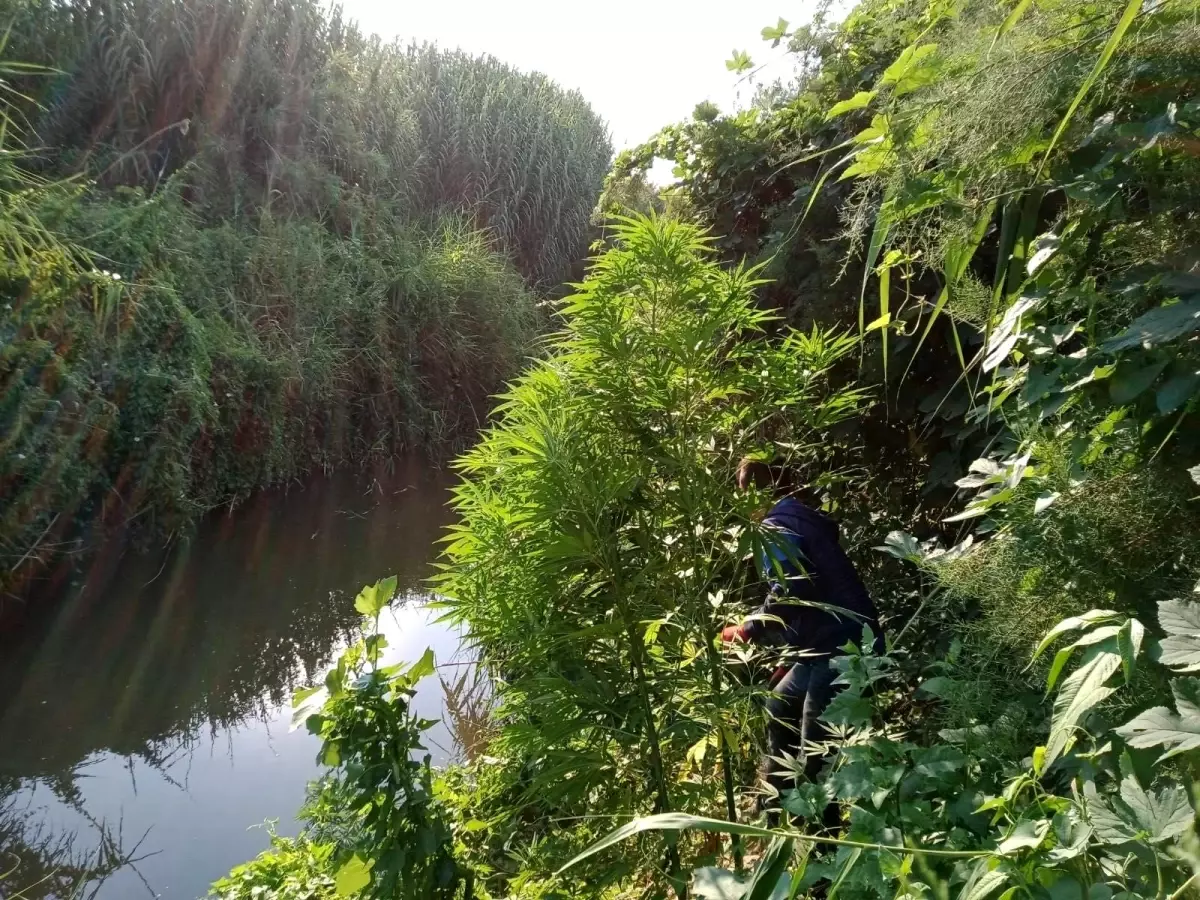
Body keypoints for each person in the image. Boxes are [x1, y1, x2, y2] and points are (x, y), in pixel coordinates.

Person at [721, 458, 884, 808]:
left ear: (755, 494)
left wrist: (748, 629)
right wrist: (790, 655)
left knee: (816, 743)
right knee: (779, 703)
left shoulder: (776, 527)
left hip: (845, 644)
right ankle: (776, 802)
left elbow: (793, 589)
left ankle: (821, 838)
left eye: (742, 496)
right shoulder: (797, 517)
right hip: (825, 642)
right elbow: (812, 593)